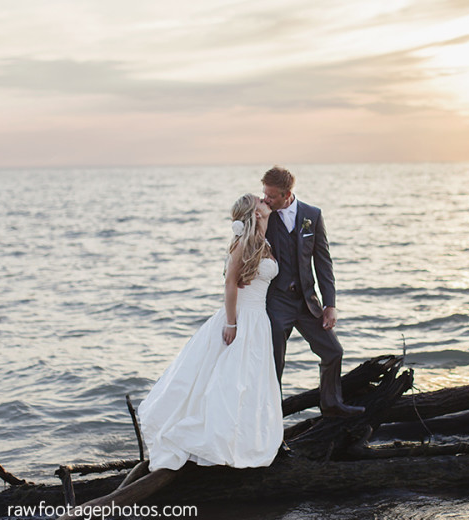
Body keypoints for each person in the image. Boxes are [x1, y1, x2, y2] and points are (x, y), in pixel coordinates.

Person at [137, 194, 283, 472]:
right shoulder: (242, 244)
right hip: (241, 317)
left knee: (251, 382)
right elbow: (230, 284)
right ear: (255, 213)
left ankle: (243, 439)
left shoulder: (264, 242)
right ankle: (211, 440)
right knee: (228, 382)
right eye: (260, 201)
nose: (266, 201)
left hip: (259, 321)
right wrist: (231, 322)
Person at [261, 166, 364, 418]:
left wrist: (330, 304)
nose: (266, 199)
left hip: (308, 302)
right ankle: (271, 421)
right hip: (276, 302)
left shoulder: (312, 215)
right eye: (264, 193)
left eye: (271, 196)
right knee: (274, 364)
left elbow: (323, 261)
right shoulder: (262, 215)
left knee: (333, 351)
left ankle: (331, 404)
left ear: (287, 194)